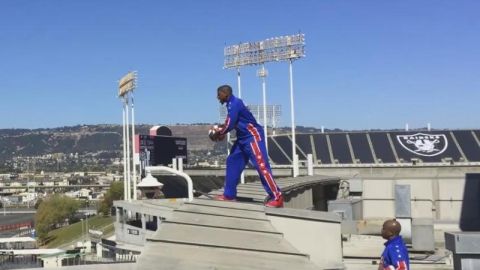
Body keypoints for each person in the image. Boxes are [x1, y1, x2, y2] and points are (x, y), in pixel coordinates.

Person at [212, 84, 284, 208]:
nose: (217, 97)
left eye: (219, 94)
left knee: (262, 166)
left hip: (253, 138)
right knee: (232, 161)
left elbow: (230, 123)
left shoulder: (235, 103)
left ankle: (277, 197)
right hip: (242, 139)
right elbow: (230, 122)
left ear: (225, 93)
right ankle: (229, 195)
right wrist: (221, 129)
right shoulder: (231, 104)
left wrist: (219, 133)